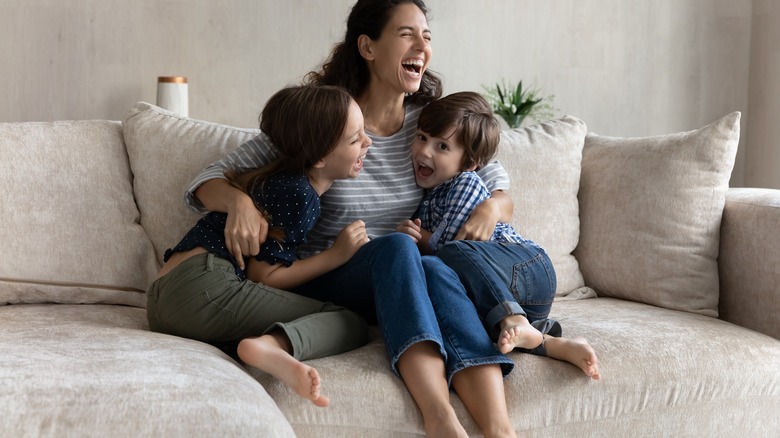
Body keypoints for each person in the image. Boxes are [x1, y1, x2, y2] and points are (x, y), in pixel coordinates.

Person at [185, 1, 537, 436]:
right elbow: (207, 179)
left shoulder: (427, 126)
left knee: (433, 266)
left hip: (399, 279)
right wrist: (239, 203)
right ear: (368, 47)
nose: (421, 46)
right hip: (323, 277)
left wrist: (490, 208)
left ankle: (499, 429)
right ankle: (439, 416)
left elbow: (496, 185)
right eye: (407, 34)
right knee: (399, 246)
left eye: (426, 36)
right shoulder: (328, 121)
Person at [147, 85, 372, 408]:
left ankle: (260, 344)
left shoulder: (282, 182)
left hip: (165, 297)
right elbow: (263, 276)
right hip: (200, 287)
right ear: (320, 157)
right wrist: (335, 256)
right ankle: (270, 346)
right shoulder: (301, 195)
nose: (368, 143)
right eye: (356, 139)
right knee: (349, 321)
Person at [396, 91, 600, 378]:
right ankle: (550, 342)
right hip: (504, 289)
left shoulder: (465, 183)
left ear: (469, 163)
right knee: (449, 297)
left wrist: (416, 237)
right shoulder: (430, 196)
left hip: (527, 267)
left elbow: (448, 246)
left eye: (442, 146)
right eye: (422, 137)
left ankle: (512, 319)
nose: (424, 151)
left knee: (451, 254)